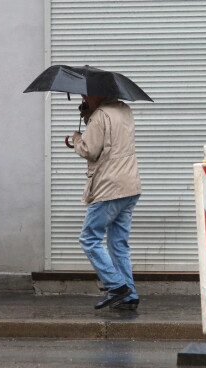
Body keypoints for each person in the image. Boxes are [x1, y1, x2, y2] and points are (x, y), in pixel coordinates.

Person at [71, 95, 141, 310]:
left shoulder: (100, 116)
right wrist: (88, 116)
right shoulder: (124, 109)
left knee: (89, 239)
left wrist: (75, 139)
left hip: (109, 186)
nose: (83, 98)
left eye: (85, 95)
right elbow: (110, 141)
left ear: (97, 94)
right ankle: (129, 296)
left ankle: (117, 286)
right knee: (118, 244)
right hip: (129, 185)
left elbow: (89, 150)